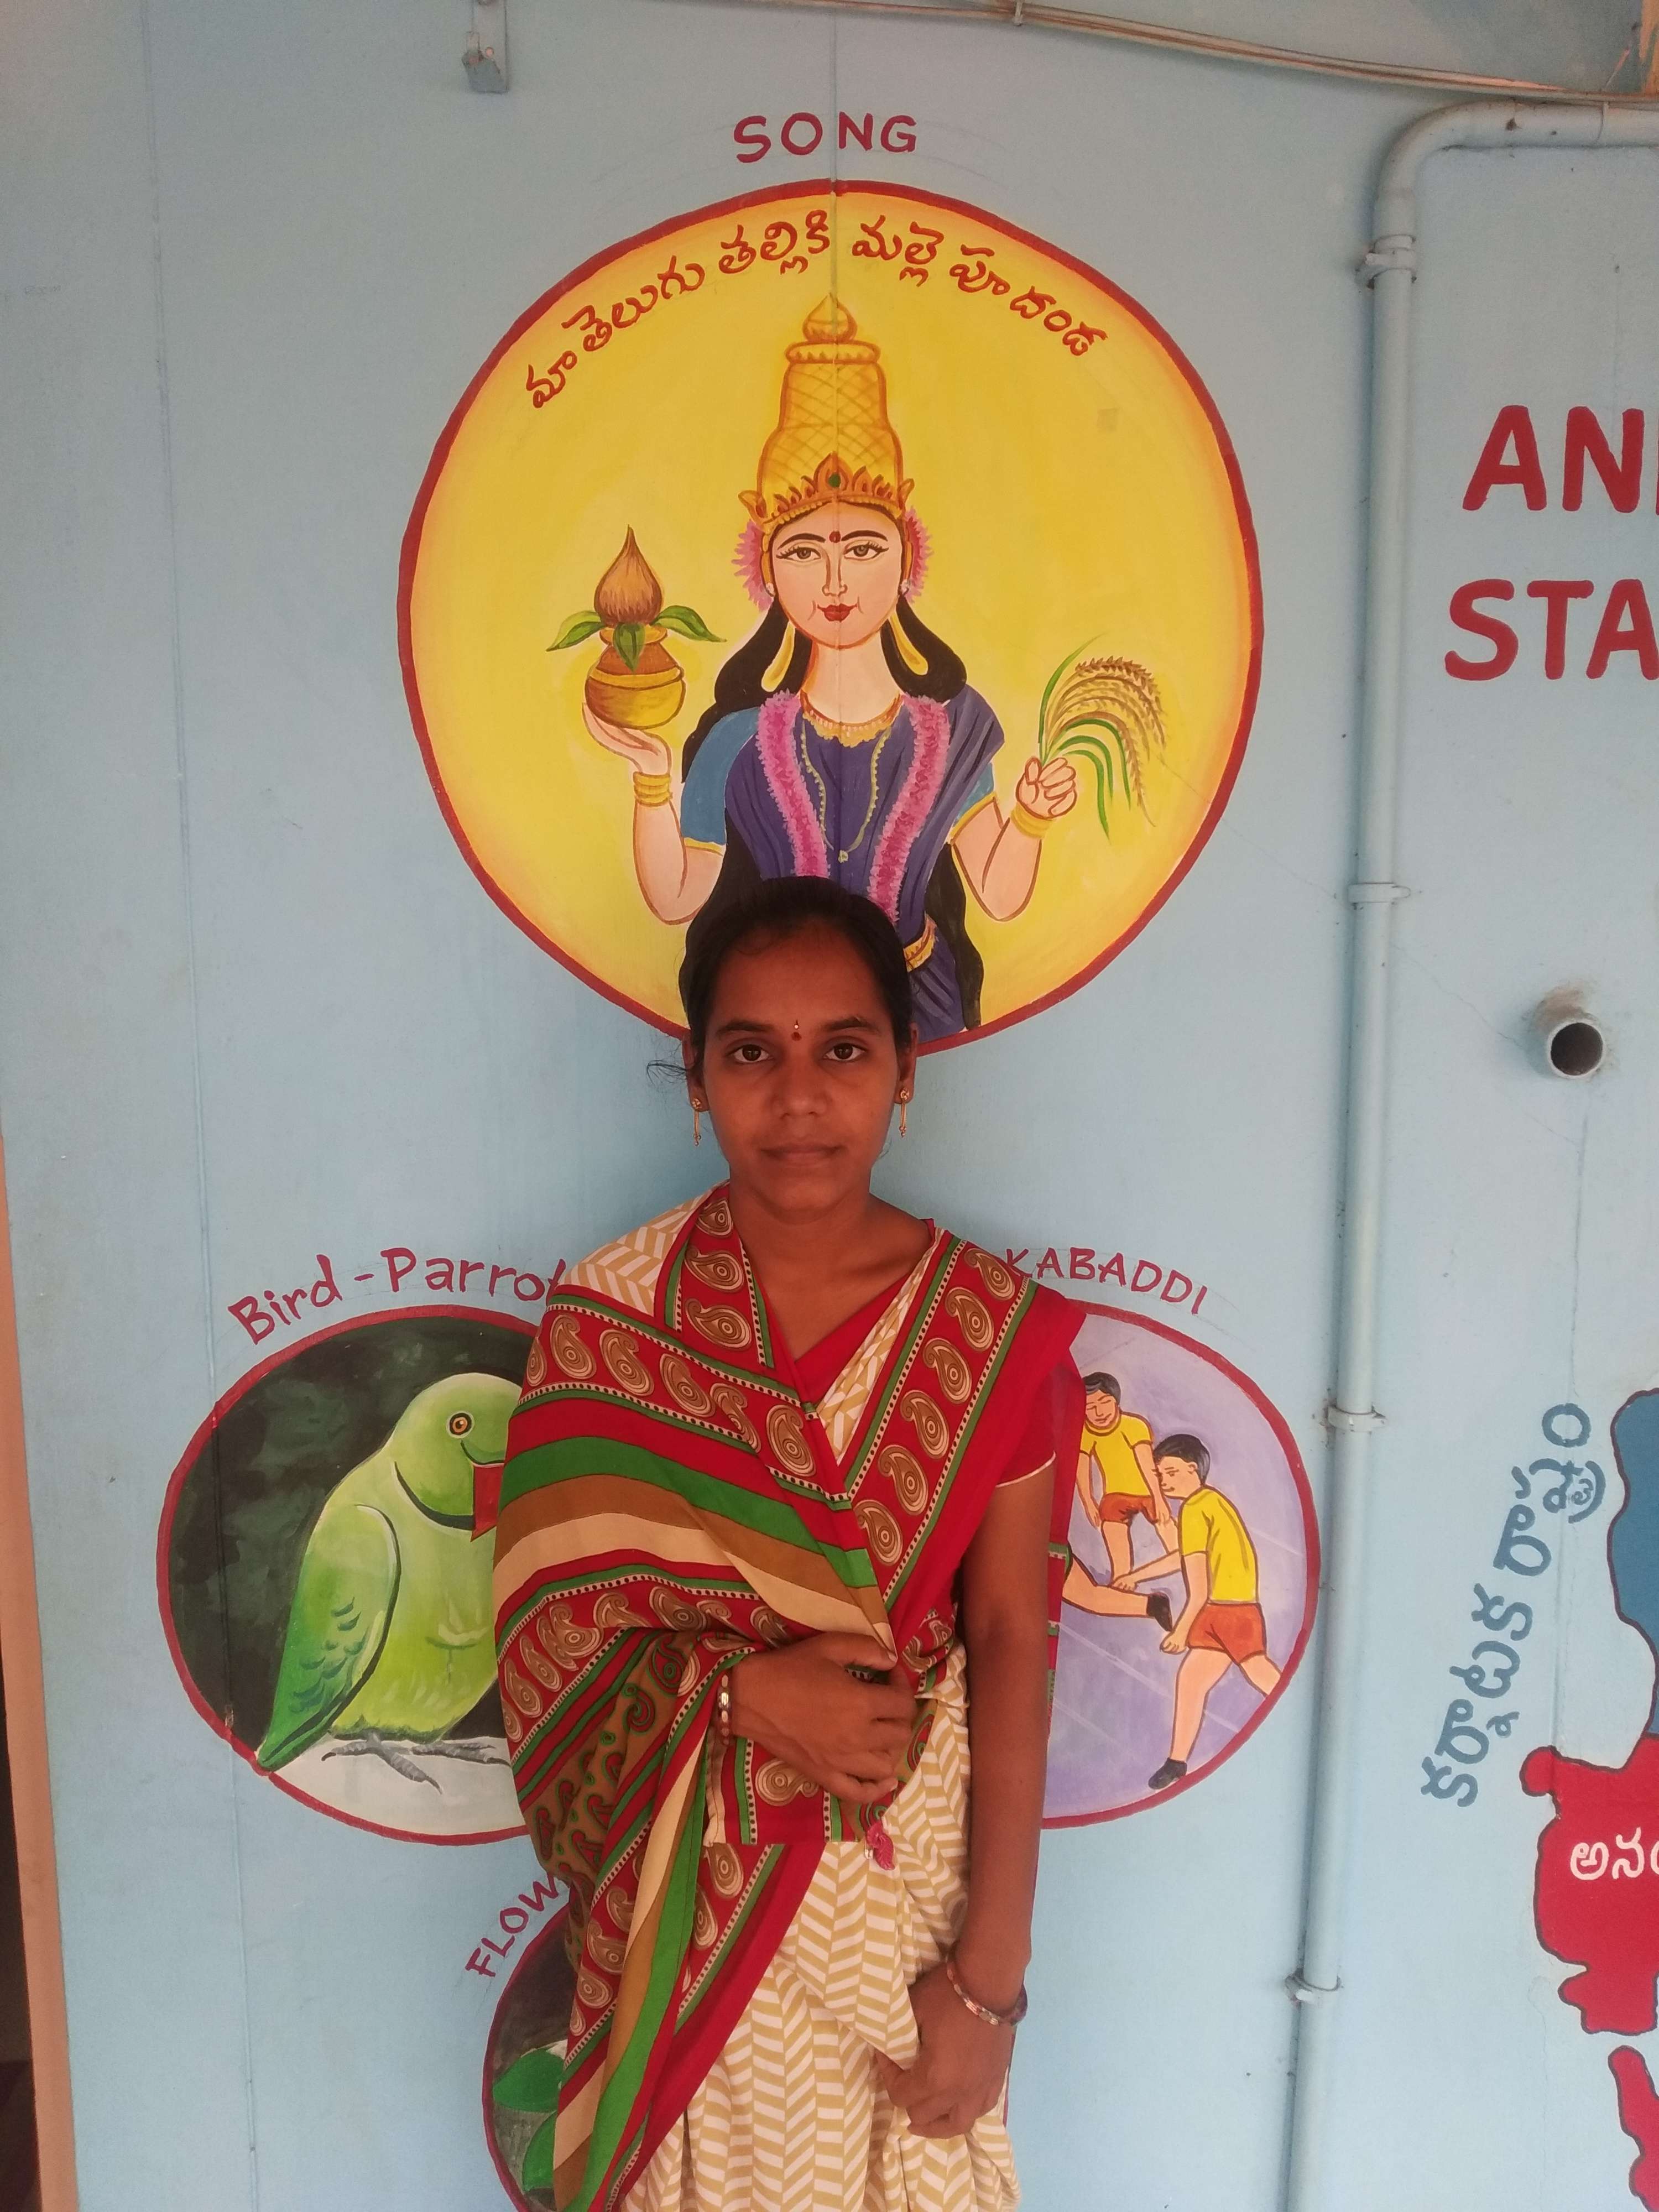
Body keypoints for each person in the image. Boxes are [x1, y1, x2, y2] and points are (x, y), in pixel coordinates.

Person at [492, 877, 1085, 2212]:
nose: (800, 1097)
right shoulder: (608, 1322)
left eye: (844, 1049)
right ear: (698, 1077)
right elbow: (546, 1643)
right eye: (752, 1050)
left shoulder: (988, 1330)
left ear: (905, 1071)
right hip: (685, 1919)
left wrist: (989, 1982)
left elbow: (1010, 1638)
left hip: (906, 1921)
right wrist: (737, 1694)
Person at [578, 298, 1078, 1042]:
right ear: (767, 571)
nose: (836, 581)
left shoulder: (954, 729)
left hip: (923, 1009)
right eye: (804, 552)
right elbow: (677, 896)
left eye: (864, 549)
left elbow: (1000, 896)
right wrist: (653, 780)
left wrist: (1033, 816)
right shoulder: (737, 740)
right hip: (784, 1019)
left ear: (906, 559)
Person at [1112, 1433, 1282, 1791]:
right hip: (1223, 1608)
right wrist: (1136, 1577)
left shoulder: (1194, 1509)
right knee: (1191, 1681)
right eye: (1160, 1475)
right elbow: (1183, 1557)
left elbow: (1198, 1586)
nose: (1164, 1481)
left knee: (1263, 1677)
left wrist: (1180, 1631)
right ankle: (1176, 1762)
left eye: (1171, 1472)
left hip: (1229, 1610)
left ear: (1193, 1469)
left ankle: (1299, 1715)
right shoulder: (1209, 1502)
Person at [1058, 1370, 1178, 1631]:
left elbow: (1147, 1465)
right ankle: (1123, 1585)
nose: (1099, 1412)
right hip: (1116, 1495)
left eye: (1105, 1402)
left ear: (1116, 1402)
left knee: (1177, 1545)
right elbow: (1082, 1466)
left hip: (1146, 1491)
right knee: (1115, 1542)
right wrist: (1088, 1501)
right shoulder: (1085, 1431)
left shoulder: (1133, 1425)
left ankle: (1184, 1559)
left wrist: (1159, 1498)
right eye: (1090, 1407)